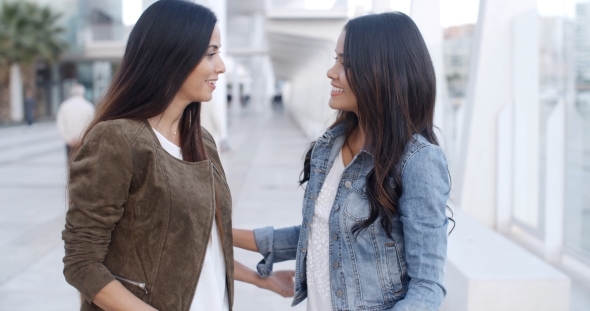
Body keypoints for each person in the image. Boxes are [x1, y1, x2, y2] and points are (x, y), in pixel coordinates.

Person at [61, 1, 293, 311]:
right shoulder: (116, 139)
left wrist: (261, 279)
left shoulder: (201, 141)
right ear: (172, 55)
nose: (221, 66)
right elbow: (81, 263)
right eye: (211, 53)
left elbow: (202, 242)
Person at [233, 12, 451, 311]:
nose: (331, 72)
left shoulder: (419, 161)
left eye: (345, 63)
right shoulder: (329, 145)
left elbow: (427, 286)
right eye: (336, 59)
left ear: (381, 71)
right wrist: (220, 232)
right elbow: (321, 233)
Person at [55, 84, 95, 160]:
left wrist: (67, 139)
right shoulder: (89, 106)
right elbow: (92, 124)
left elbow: (60, 124)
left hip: (69, 142)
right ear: (83, 93)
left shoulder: (64, 106)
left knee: (71, 165)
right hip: (83, 142)